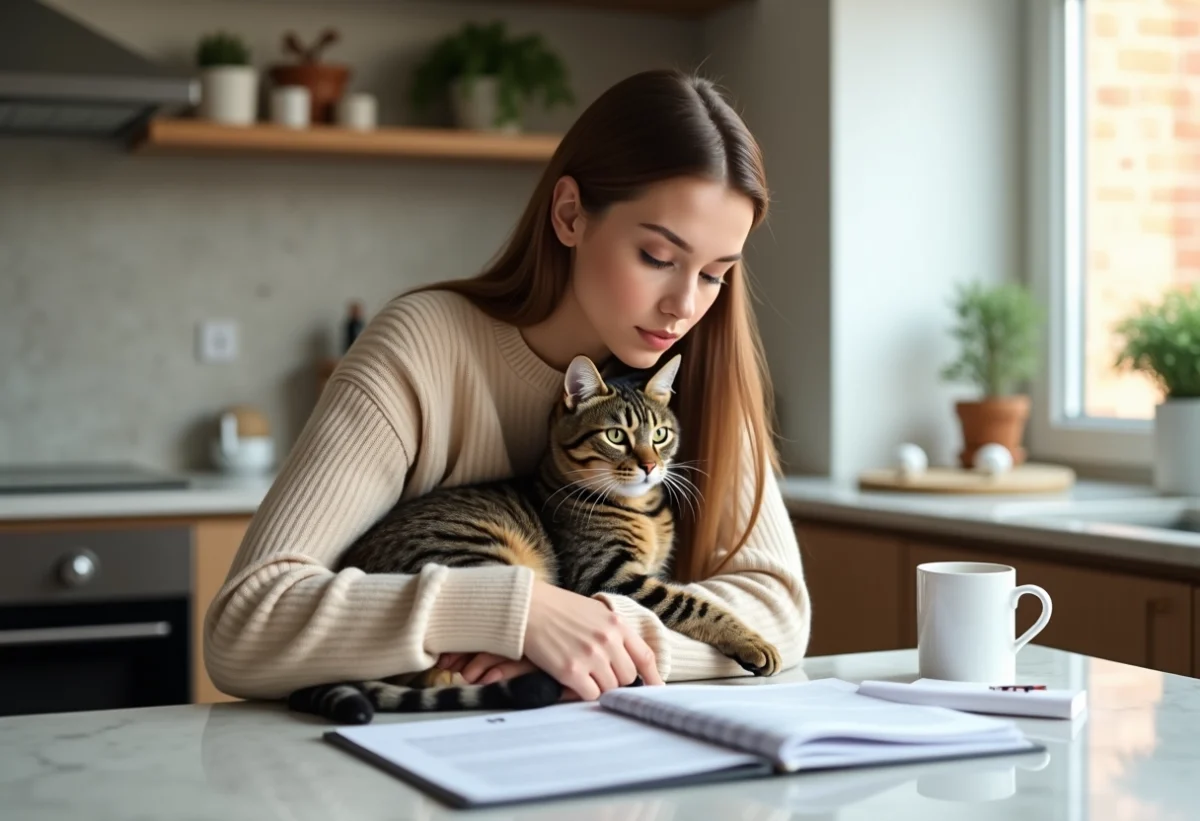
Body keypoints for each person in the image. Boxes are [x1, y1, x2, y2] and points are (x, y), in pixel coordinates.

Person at [204, 68, 812, 704]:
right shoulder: (422, 348)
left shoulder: (699, 374)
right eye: (658, 258)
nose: (684, 307)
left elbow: (777, 615)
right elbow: (247, 625)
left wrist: (600, 643)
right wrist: (518, 613)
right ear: (571, 214)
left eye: (715, 274)